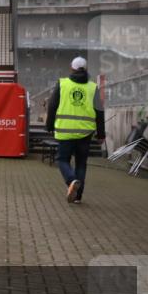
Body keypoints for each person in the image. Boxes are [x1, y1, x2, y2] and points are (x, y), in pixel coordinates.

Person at [45, 56, 105, 204]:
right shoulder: (92, 87)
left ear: (71, 68)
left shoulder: (62, 83)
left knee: (62, 159)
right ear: (86, 69)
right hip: (85, 133)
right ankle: (78, 196)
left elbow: (52, 106)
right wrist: (101, 134)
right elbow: (99, 111)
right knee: (81, 164)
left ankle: (72, 181)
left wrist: (49, 125)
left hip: (65, 131)